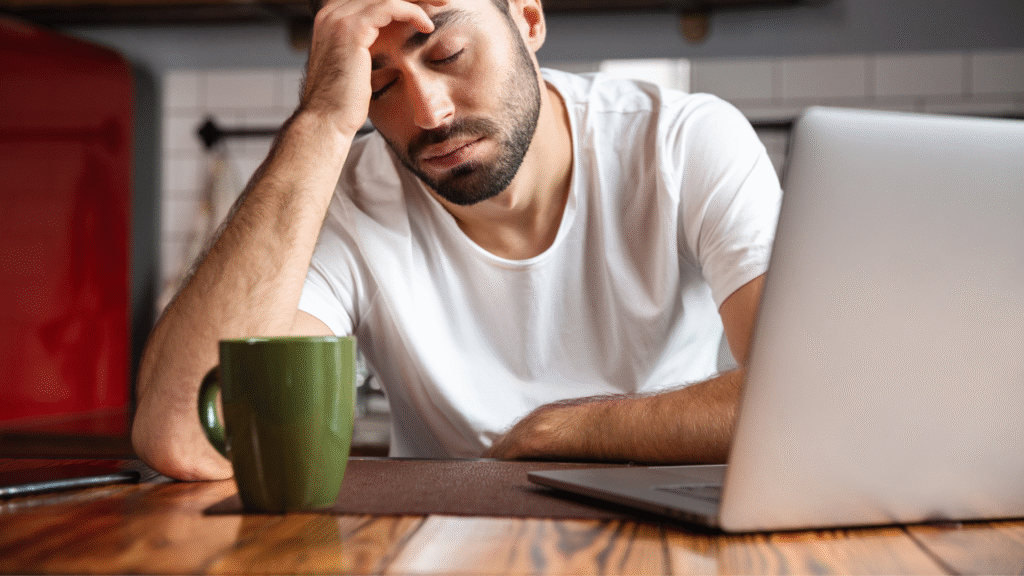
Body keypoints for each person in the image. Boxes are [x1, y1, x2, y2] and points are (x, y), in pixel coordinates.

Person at [131, 0, 782, 481]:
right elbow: (185, 437)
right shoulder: (345, 195)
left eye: (448, 55)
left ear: (527, 21)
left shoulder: (682, 142)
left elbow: (804, 396)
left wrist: (566, 429)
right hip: (440, 539)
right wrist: (322, 122)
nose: (429, 114)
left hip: (661, 535)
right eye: (379, 85)